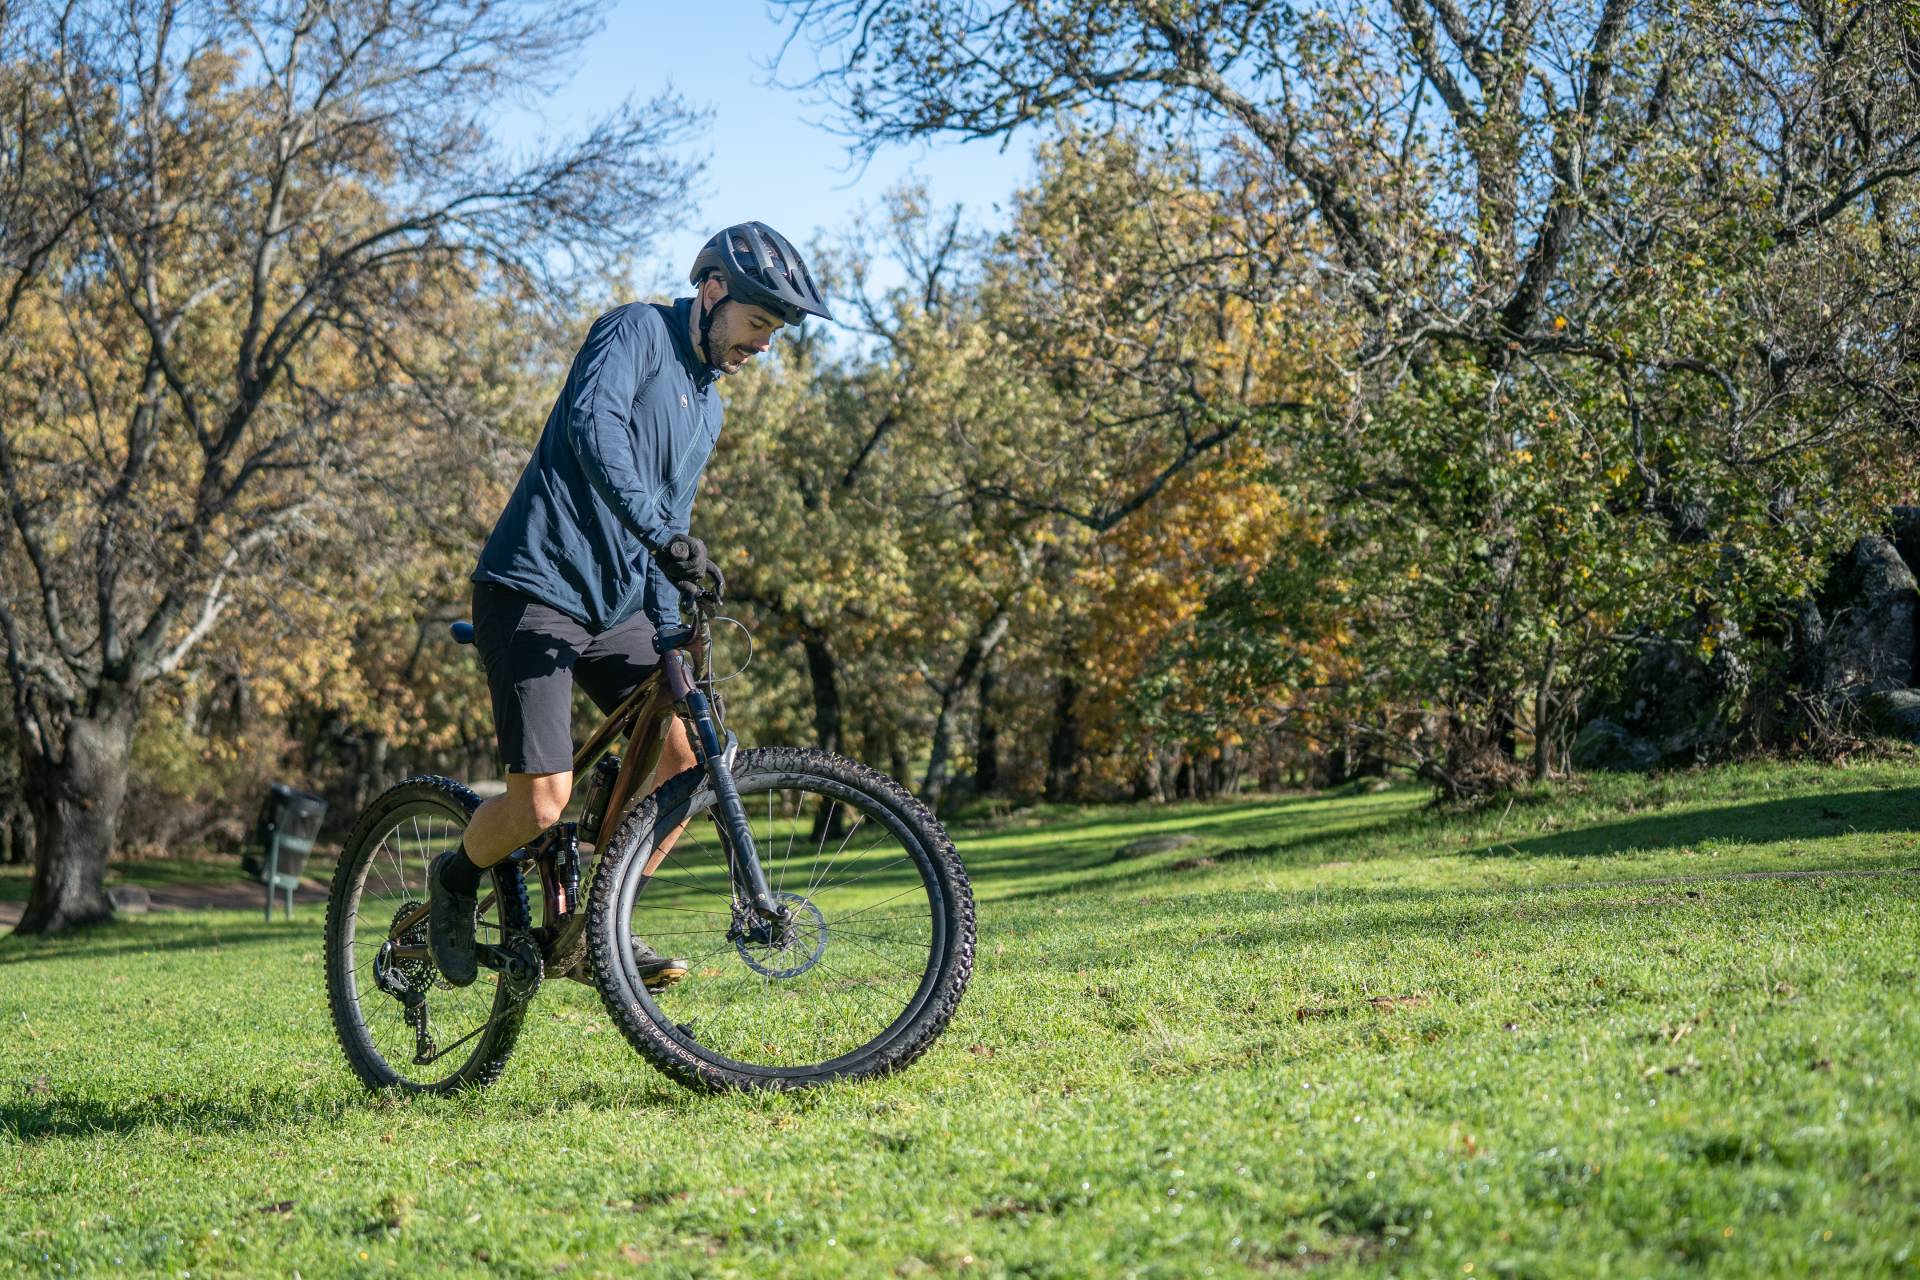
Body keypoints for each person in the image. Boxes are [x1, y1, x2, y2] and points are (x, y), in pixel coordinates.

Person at [427, 222, 833, 989]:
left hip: (615, 608)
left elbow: (666, 529)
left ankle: (599, 923)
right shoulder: (637, 330)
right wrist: (659, 534)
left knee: (689, 757)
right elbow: (593, 425)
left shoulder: (708, 407)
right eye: (757, 325)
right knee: (542, 804)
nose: (763, 347)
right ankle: (454, 877)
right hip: (533, 587)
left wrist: (674, 613)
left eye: (775, 334)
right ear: (713, 292)